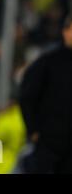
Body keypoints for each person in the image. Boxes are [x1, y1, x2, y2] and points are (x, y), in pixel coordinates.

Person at [19, 14, 72, 173]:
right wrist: (33, 130)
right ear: (65, 32)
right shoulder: (47, 62)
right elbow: (28, 96)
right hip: (50, 142)